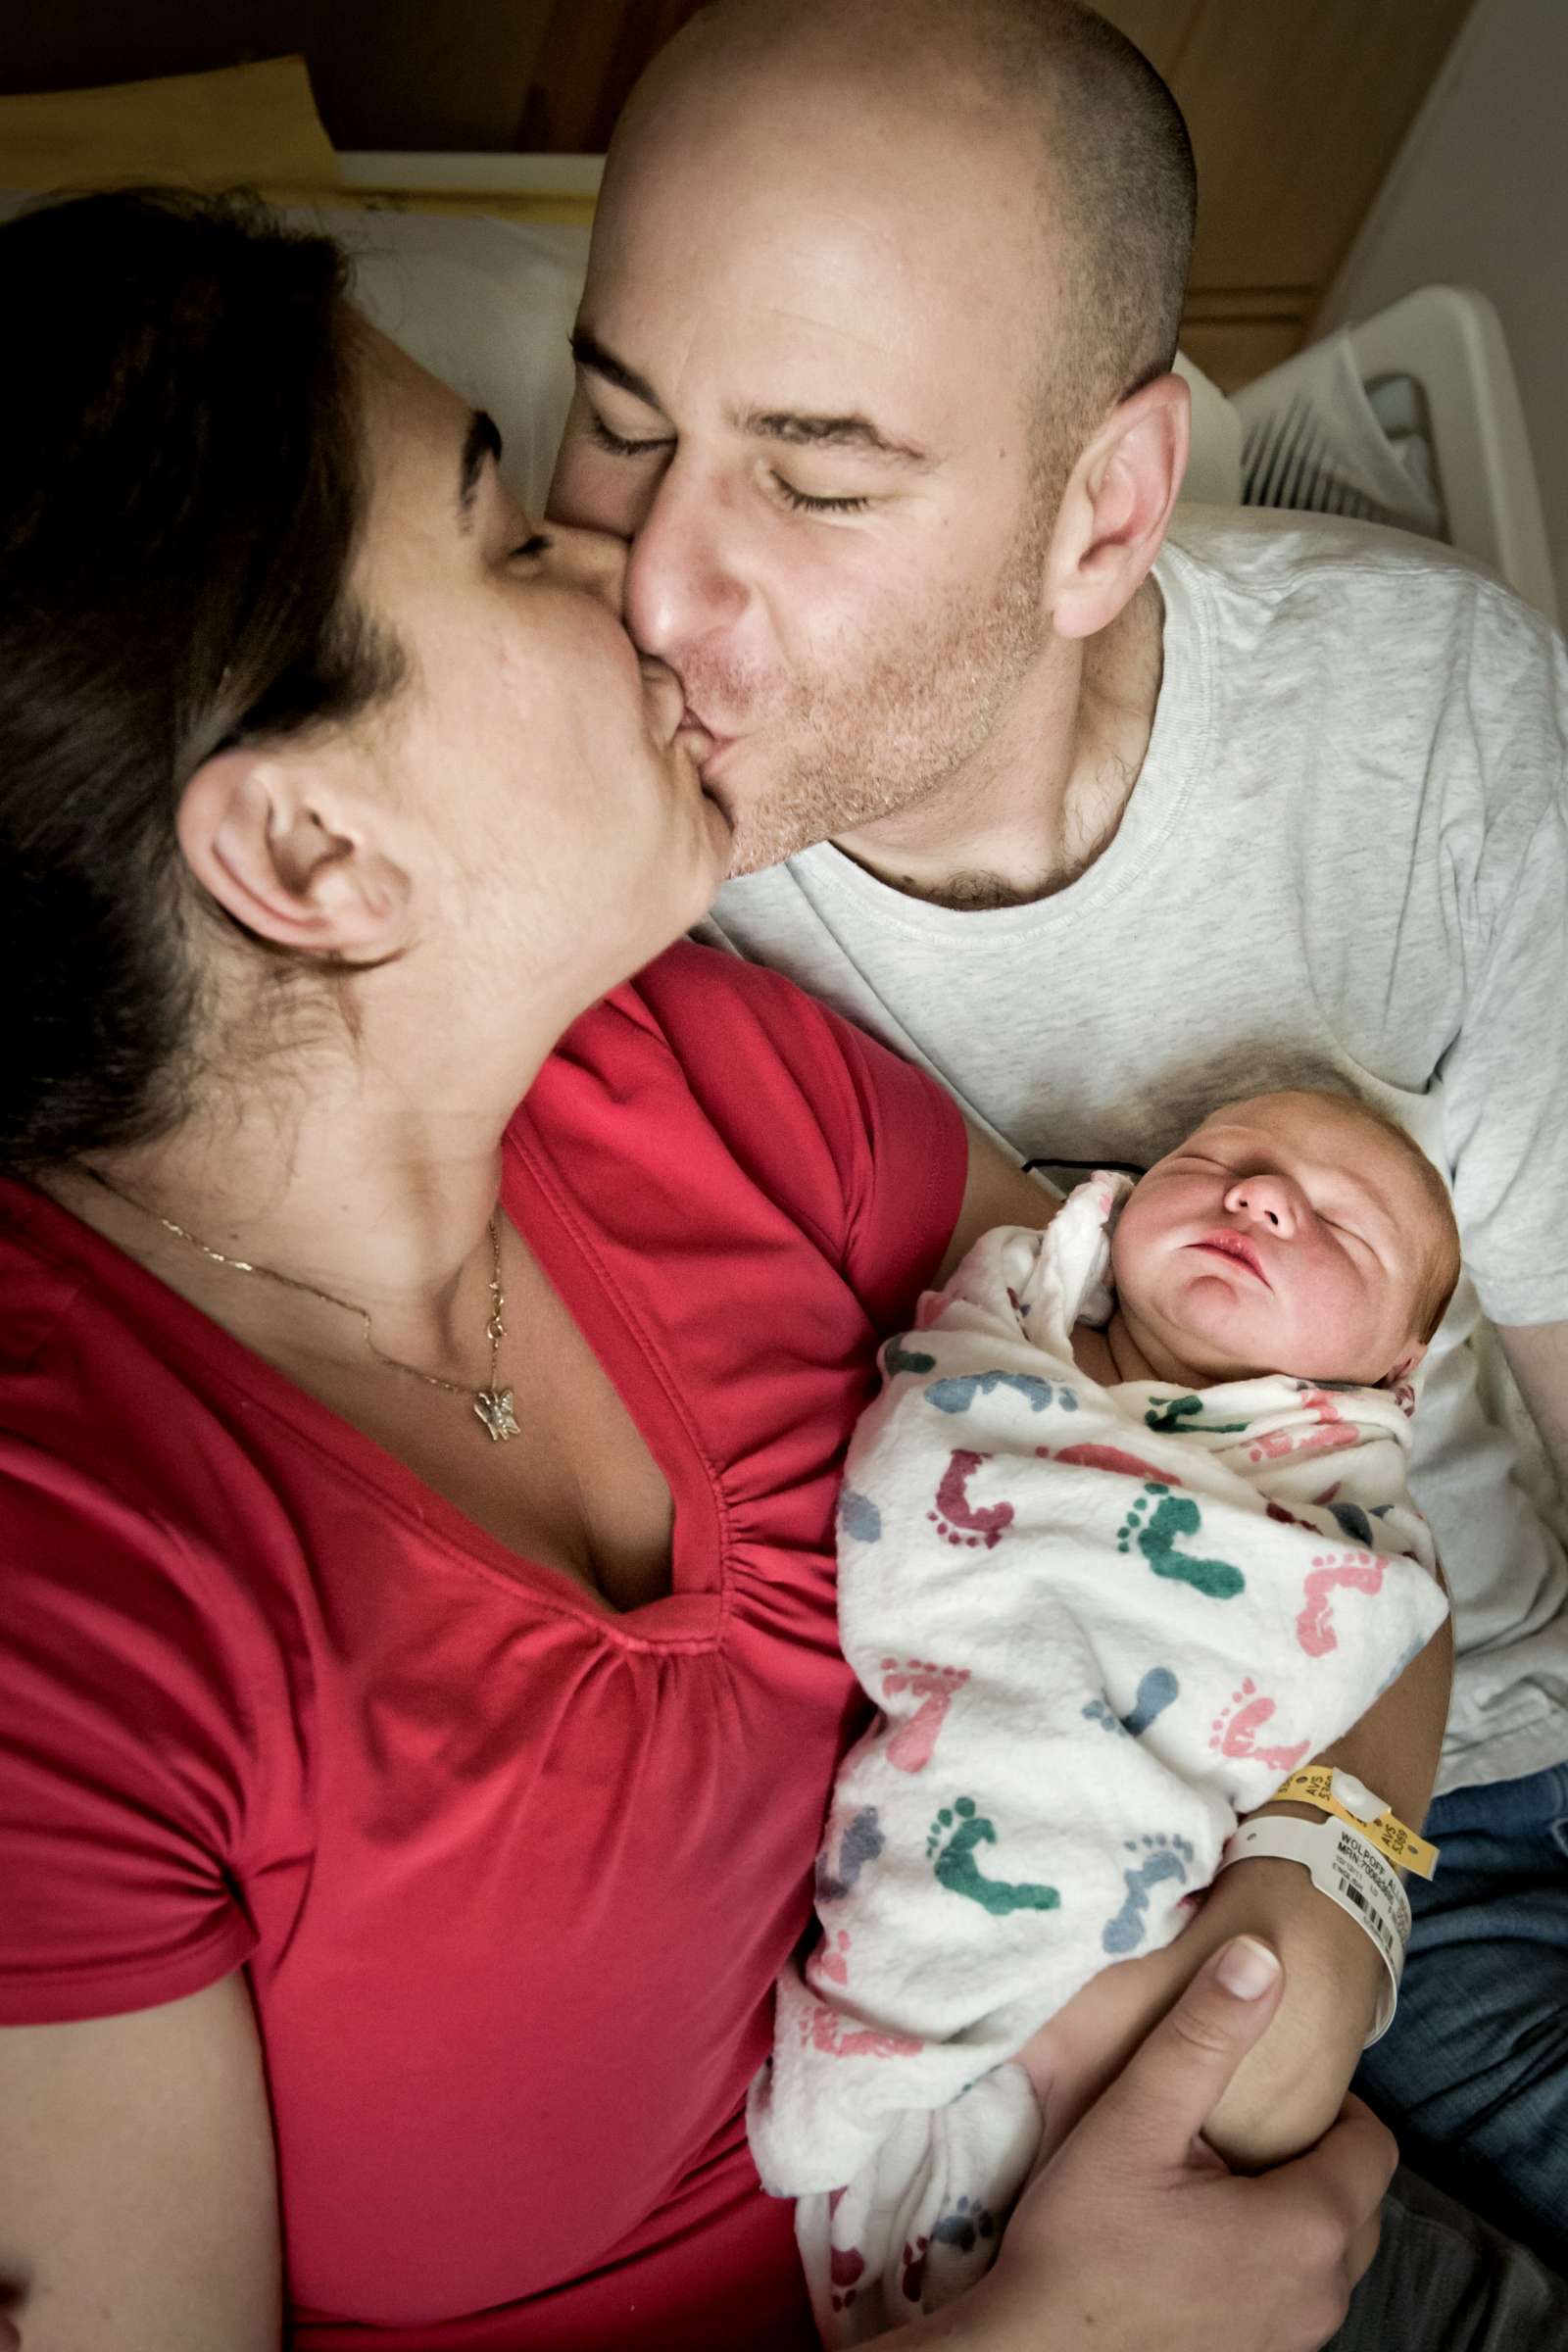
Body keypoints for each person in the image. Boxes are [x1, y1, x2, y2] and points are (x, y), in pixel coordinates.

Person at [0, 183, 1468, 2352]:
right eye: (512, 537)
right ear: (309, 848)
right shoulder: (70, 1614)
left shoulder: (707, 1080)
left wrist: (1325, 1898)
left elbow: (1309, 1486)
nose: (641, 576)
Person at [547, 0, 1568, 2265]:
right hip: (1215, 1848)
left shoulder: (1417, 733)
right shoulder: (608, 866)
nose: (656, 585)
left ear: (1105, 503)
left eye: (813, 474)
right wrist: (1319, 1866)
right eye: (616, 433)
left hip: (1500, 1668)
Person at [751, 1088, 1456, 2340]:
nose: (1260, 1196)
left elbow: (1371, 1623)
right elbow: (933, 1479)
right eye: (1212, 1162)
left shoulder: (1335, 1506)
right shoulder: (1003, 1336)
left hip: (1172, 1959)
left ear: (1398, 1368)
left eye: (1340, 1231)